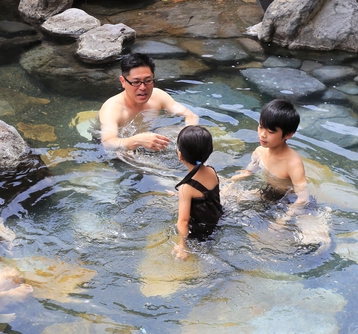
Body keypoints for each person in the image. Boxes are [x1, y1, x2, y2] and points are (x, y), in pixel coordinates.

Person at [98, 53, 198, 151]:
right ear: (123, 81)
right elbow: (107, 143)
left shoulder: (158, 96)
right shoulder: (112, 108)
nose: (143, 87)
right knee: (124, 153)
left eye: (148, 80)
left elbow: (191, 116)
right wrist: (137, 141)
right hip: (124, 145)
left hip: (152, 134)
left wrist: (186, 136)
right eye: (136, 82)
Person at [231, 99, 310, 216]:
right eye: (261, 127)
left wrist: (283, 220)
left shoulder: (293, 164)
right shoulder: (259, 152)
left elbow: (303, 199)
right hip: (269, 193)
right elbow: (248, 172)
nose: (262, 134)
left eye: (271, 131)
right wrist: (231, 181)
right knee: (228, 197)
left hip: (291, 201)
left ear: (288, 134)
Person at [172, 125, 223, 260]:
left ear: (180, 155)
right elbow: (205, 195)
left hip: (199, 234)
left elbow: (183, 221)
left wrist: (182, 245)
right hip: (217, 221)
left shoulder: (186, 188)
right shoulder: (211, 171)